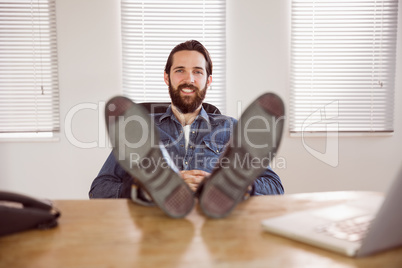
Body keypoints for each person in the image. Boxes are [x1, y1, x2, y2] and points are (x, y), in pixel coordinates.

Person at [89, 40, 284, 218]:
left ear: (208, 80)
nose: (189, 79)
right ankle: (149, 190)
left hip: (214, 225)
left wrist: (230, 188)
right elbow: (99, 190)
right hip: (156, 224)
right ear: (167, 77)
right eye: (180, 70)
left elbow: (275, 187)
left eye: (198, 71)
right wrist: (141, 191)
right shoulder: (139, 130)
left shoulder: (230, 128)